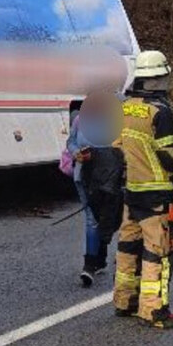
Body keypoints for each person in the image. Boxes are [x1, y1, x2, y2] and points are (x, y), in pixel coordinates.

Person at [113, 50, 173, 329]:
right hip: (156, 194)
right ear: (158, 79)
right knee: (157, 251)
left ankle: (125, 301)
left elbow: (117, 147)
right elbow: (168, 155)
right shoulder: (161, 111)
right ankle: (154, 311)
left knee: (128, 246)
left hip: (131, 190)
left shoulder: (125, 107)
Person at [66, 100, 124, 287]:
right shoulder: (80, 120)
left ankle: (102, 257)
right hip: (84, 176)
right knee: (92, 220)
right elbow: (71, 141)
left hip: (109, 178)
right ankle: (89, 265)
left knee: (111, 218)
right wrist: (76, 153)